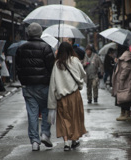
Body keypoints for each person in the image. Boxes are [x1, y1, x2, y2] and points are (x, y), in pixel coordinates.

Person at [16, 22, 55, 151]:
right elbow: (51, 67)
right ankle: (45, 134)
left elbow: (18, 68)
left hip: (28, 86)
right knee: (45, 110)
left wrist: (23, 81)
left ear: (28, 33)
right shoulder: (46, 47)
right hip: (44, 85)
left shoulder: (21, 48)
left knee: (32, 113)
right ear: (40, 33)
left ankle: (34, 141)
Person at [48, 42, 87, 151]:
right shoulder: (75, 60)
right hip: (74, 95)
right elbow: (83, 73)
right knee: (75, 117)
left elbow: (53, 84)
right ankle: (74, 140)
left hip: (61, 97)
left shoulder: (57, 64)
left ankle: (66, 143)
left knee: (64, 119)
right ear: (71, 50)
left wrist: (51, 103)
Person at [112, 44, 131, 121]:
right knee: (123, 97)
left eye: (117, 46)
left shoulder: (125, 56)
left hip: (125, 81)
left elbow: (126, 68)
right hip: (122, 82)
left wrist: (121, 78)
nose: (116, 48)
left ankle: (126, 114)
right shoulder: (122, 56)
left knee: (125, 98)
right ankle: (123, 113)